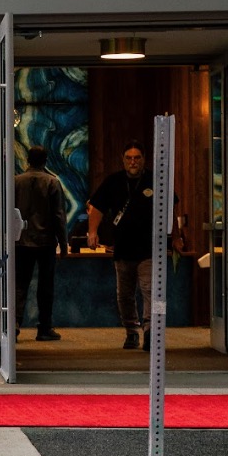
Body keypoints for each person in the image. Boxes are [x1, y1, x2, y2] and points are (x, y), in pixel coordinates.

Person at [87, 144, 154, 349]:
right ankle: (131, 331)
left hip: (149, 247)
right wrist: (92, 232)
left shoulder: (154, 180)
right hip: (123, 247)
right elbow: (97, 207)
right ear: (123, 160)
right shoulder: (113, 181)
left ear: (144, 159)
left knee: (149, 289)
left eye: (137, 157)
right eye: (129, 158)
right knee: (124, 294)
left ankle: (150, 330)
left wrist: (175, 237)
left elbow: (171, 206)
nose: (133, 161)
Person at [12, 145, 65, 341]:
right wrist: (64, 243)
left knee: (19, 285)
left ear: (27, 160)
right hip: (46, 242)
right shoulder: (52, 182)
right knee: (45, 286)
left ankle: (14, 324)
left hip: (20, 241)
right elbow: (59, 216)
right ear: (45, 161)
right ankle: (44, 328)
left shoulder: (16, 181)